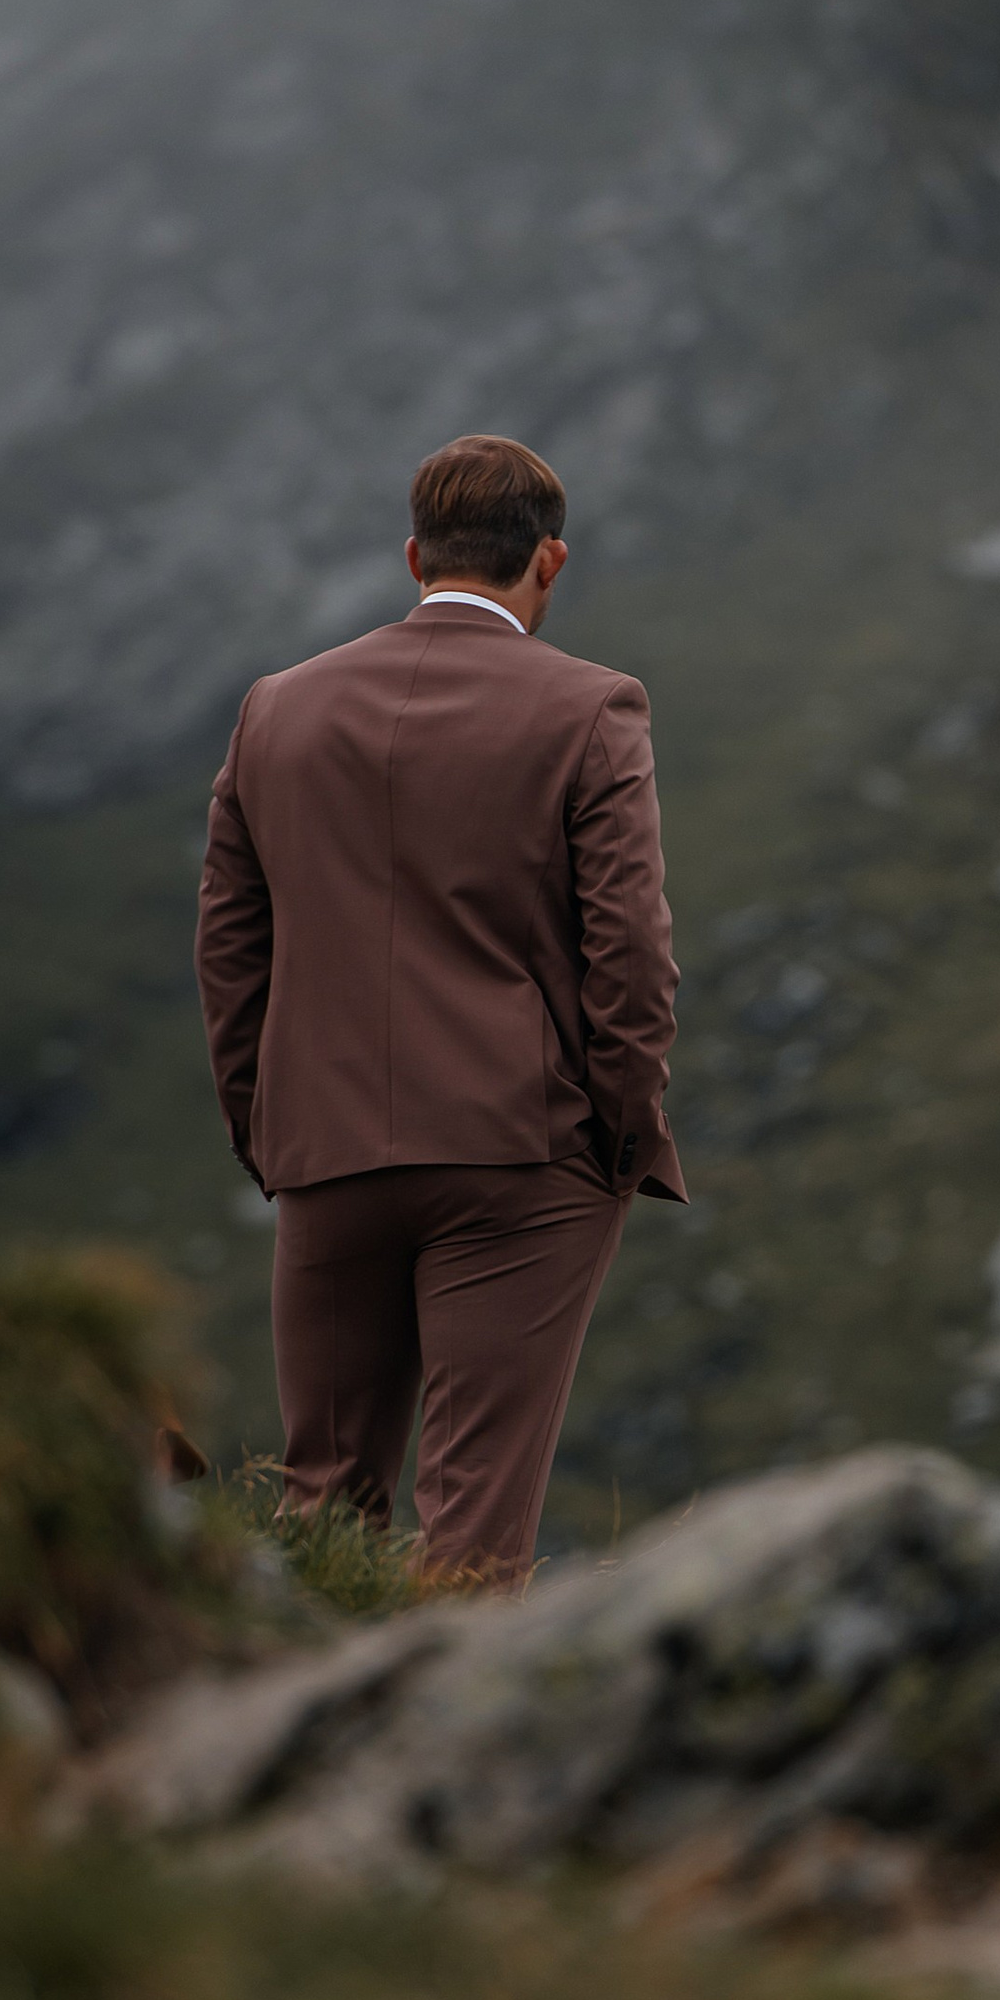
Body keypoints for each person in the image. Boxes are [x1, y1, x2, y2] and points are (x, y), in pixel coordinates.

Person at [194, 434, 683, 1588]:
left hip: (324, 1147)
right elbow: (631, 950)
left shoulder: (276, 709)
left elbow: (230, 943)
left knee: (323, 1506)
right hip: (522, 1152)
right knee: (473, 1521)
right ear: (549, 562)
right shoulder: (592, 706)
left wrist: (268, 1126)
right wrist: (612, 1131)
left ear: (414, 555)